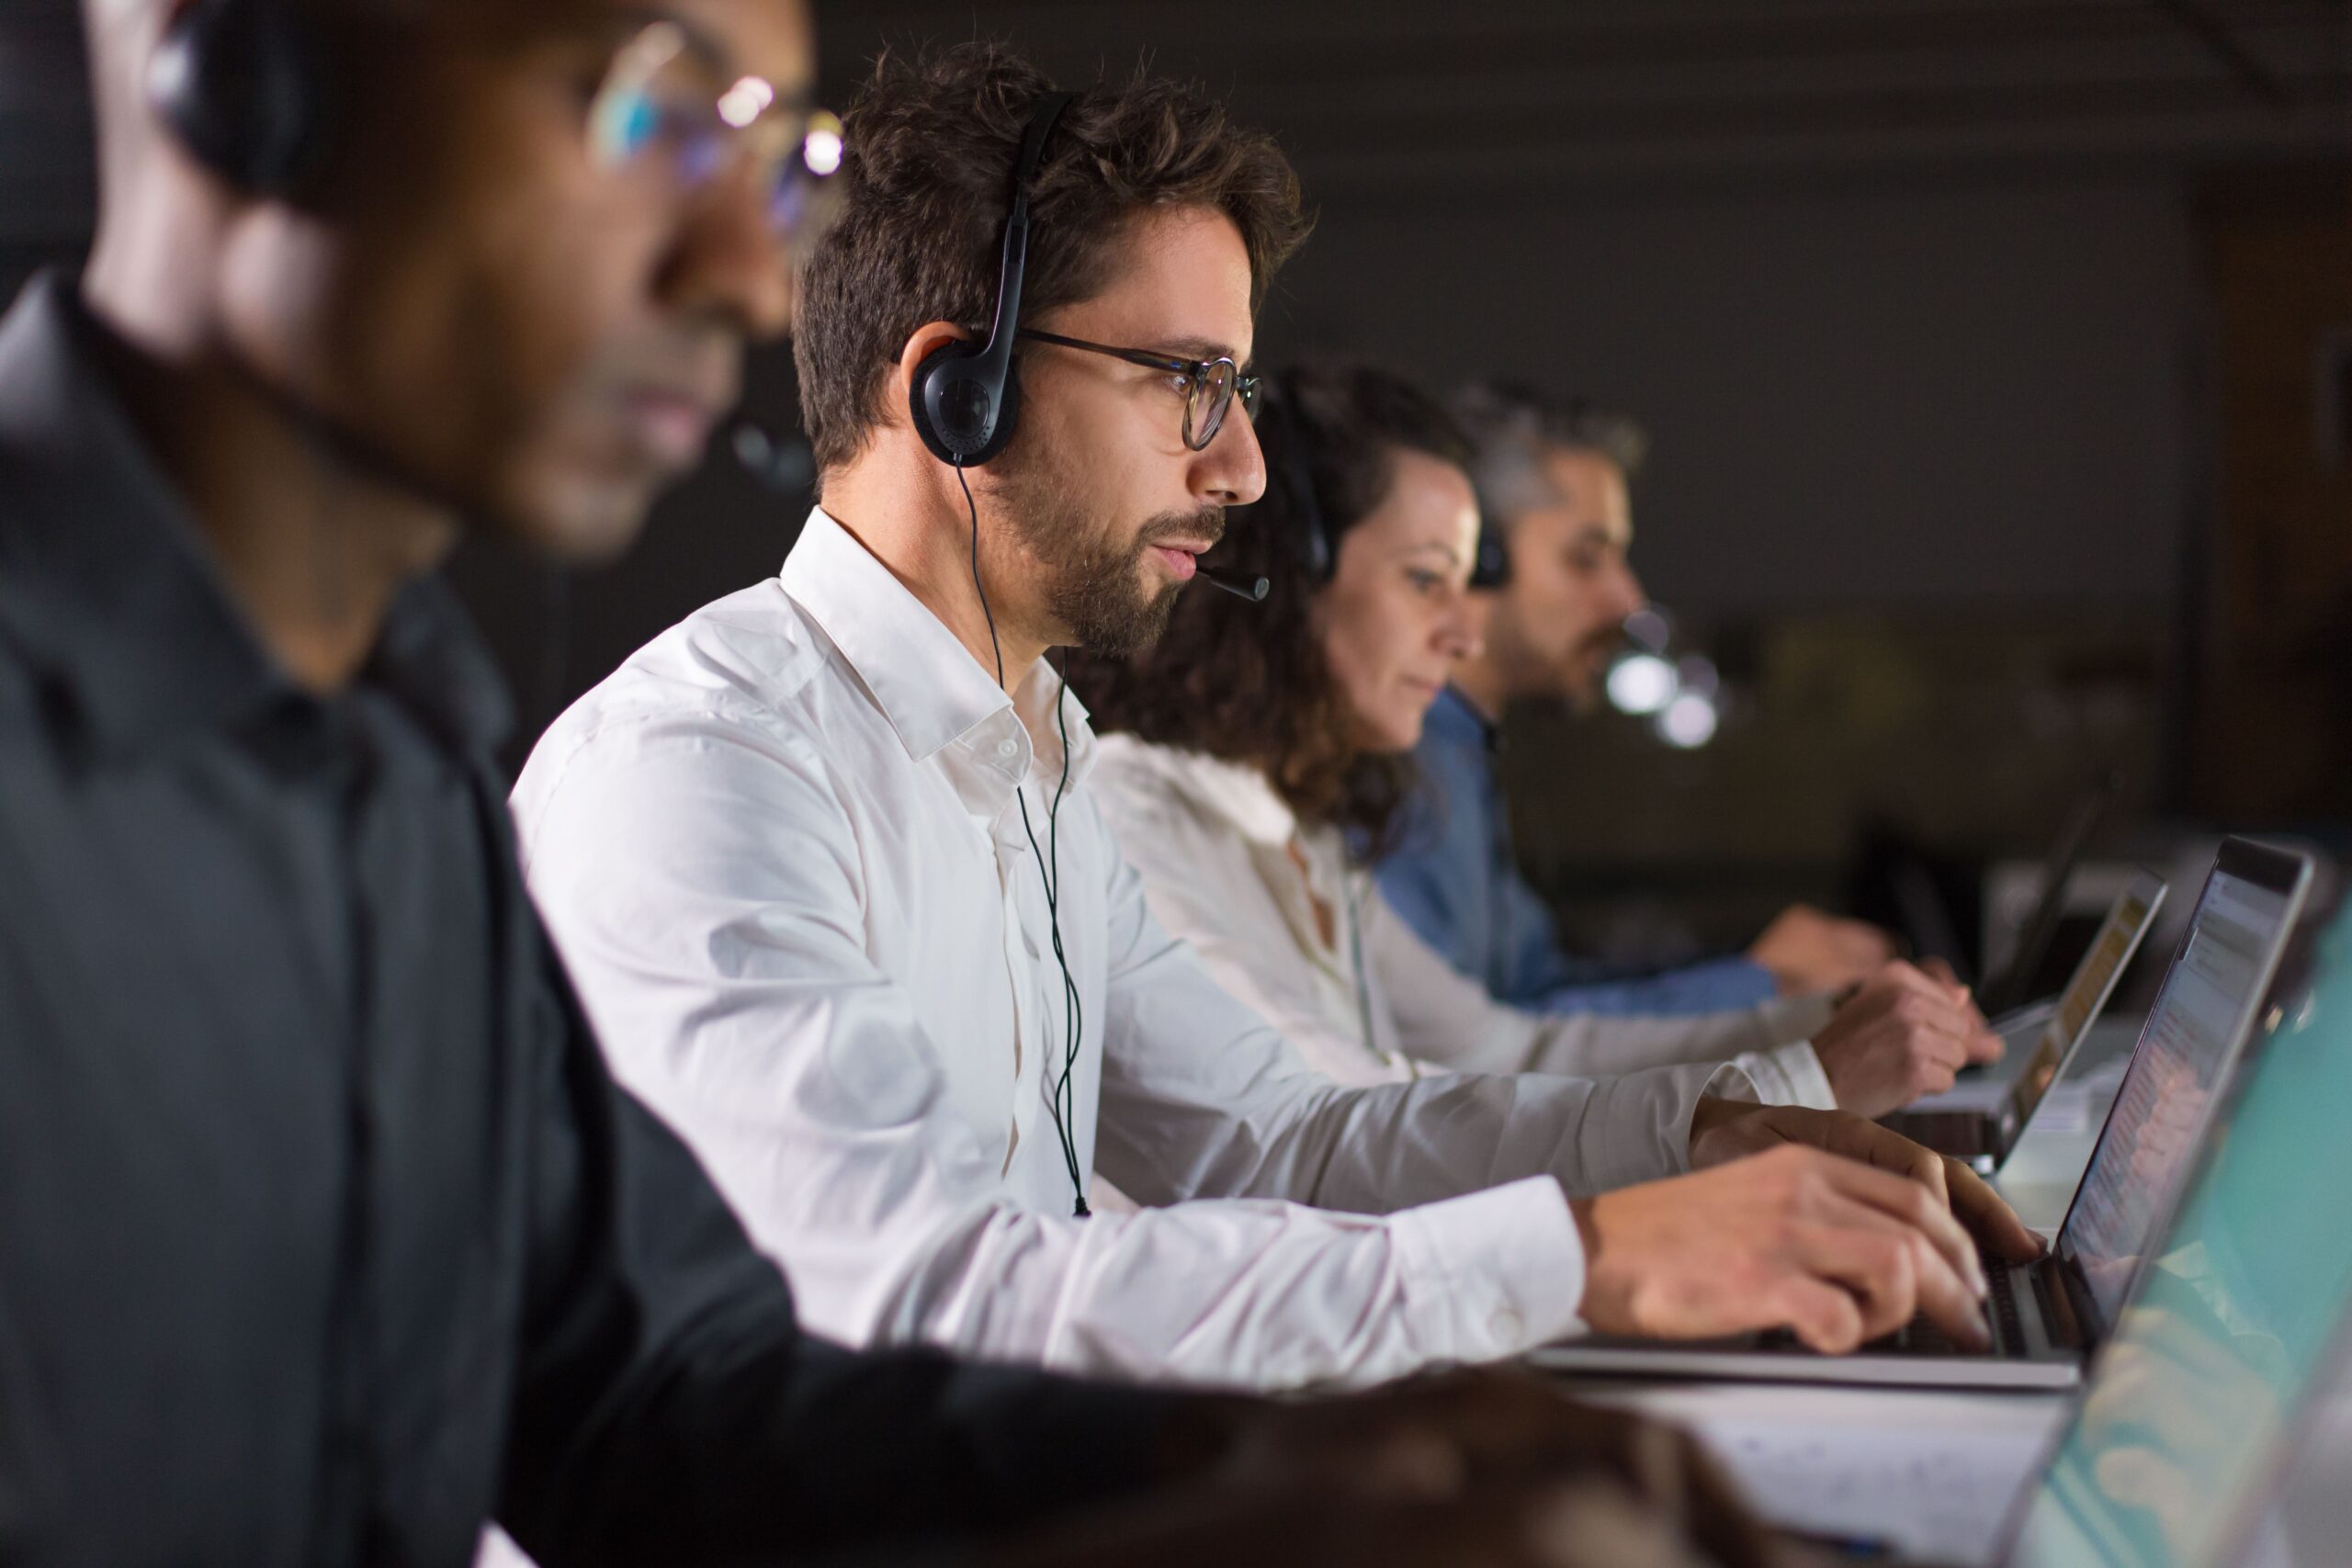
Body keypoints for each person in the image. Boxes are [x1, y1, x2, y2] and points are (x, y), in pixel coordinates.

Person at [0, 1, 1792, 1563]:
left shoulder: (389, 783)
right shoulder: (681, 767)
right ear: (237, 70)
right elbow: (873, 1309)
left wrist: (1295, 1465)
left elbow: (660, 1401)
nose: (733, 262)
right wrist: (1546, 1272)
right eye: (642, 100)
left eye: (764, 154)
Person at [512, 40, 2039, 1402]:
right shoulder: (705, 773)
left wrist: (1715, 1140)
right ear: (955, 392)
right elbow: (919, 1300)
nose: (1240, 468)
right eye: (1188, 382)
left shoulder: (1041, 756)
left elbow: (1284, 1140)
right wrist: (1583, 1259)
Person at [1069, 360, 2000, 1122]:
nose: (1464, 633)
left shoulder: (1296, 830)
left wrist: (1814, 1026)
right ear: (1289, 579)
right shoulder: (1134, 817)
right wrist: (1794, 1079)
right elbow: (1327, 1129)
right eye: (1426, 580)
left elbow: (1507, 1050)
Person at [1374, 379, 1899, 1015]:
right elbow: (1465, 1047)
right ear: (1475, 555)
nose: (1627, 599)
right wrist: (1758, 984)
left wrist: (1759, 966)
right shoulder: (1393, 758)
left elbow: (1534, 989)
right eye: (1587, 558)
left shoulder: (1460, 753)